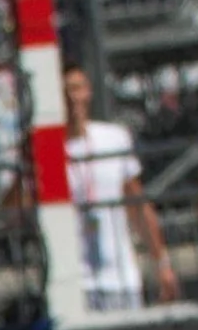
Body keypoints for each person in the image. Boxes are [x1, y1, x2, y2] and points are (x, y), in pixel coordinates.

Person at [67, 65, 180, 310]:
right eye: (65, 90)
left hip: (120, 280)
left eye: (76, 88)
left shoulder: (114, 137)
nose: (72, 97)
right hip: (74, 285)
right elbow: (13, 211)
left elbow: (137, 204)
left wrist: (161, 264)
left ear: (88, 91)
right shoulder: (45, 147)